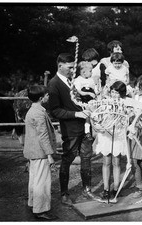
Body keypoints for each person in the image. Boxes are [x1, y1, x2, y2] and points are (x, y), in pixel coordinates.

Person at [47, 53, 94, 206]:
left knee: (86, 158)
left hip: (84, 126)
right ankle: (64, 193)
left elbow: (76, 100)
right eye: (70, 67)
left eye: (74, 67)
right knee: (67, 159)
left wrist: (87, 106)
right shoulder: (54, 84)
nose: (73, 70)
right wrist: (77, 113)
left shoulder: (70, 81)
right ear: (60, 65)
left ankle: (87, 189)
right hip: (70, 129)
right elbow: (55, 111)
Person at [23, 85, 58, 220]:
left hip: (33, 151)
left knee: (34, 179)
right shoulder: (38, 113)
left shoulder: (33, 110)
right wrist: (49, 155)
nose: (48, 97)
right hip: (40, 152)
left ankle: (33, 203)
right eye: (47, 95)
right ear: (40, 98)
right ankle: (41, 210)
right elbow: (42, 135)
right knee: (42, 181)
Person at [92, 81, 131, 199]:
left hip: (118, 135)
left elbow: (128, 119)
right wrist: (98, 126)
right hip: (106, 135)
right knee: (106, 162)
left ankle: (115, 188)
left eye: (117, 92)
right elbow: (97, 117)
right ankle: (105, 189)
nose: (114, 95)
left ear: (122, 93)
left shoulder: (125, 104)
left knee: (117, 162)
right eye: (113, 92)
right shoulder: (105, 103)